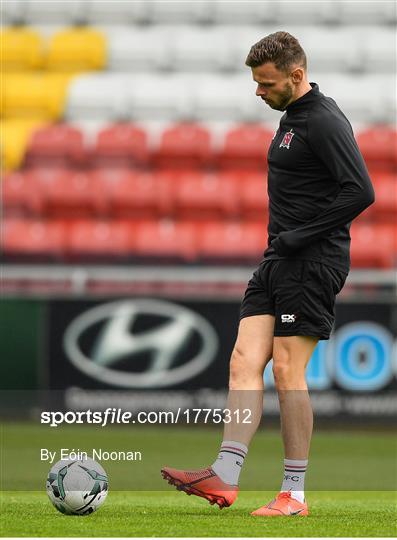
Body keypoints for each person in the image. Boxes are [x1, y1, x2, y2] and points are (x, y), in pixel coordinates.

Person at [161, 31, 375, 517]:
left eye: (266, 82)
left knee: (286, 369)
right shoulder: (292, 119)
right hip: (277, 259)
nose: (258, 91)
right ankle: (226, 475)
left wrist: (303, 235)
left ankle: (293, 495)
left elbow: (361, 190)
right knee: (242, 361)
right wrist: (286, 241)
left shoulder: (322, 119)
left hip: (312, 260)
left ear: (296, 76)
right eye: (257, 82)